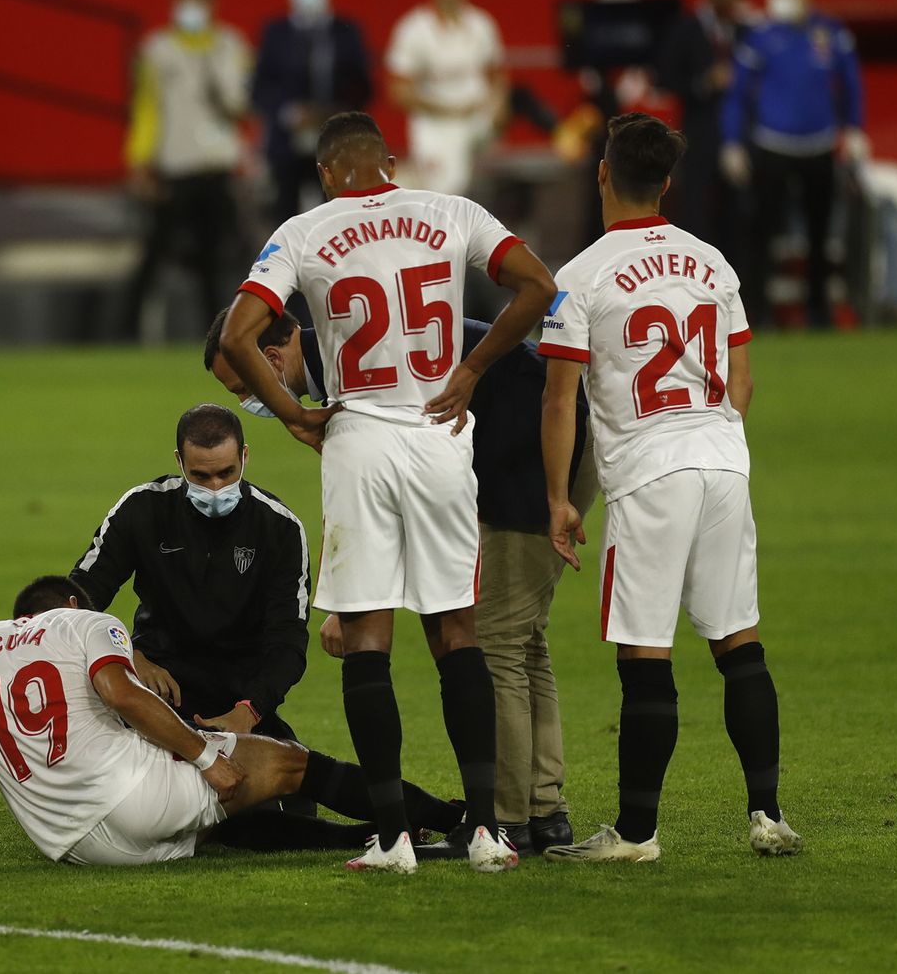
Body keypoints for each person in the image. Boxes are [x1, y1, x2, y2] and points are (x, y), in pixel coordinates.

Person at [220, 111, 557, 875]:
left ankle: (395, 837)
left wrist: (294, 413)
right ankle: (485, 830)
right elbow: (539, 285)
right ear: (391, 163)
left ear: (325, 174)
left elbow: (239, 333)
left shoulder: (303, 230)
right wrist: (472, 368)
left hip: (361, 438)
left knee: (367, 639)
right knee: (457, 631)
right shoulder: (452, 211)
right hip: (440, 432)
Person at [204, 306, 600, 856]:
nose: (251, 401)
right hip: (553, 435)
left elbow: (386, 481)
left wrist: (351, 601)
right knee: (521, 639)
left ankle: (506, 820)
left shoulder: (348, 374)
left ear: (270, 357)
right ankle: (542, 811)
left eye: (244, 386)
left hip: (534, 447)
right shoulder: (349, 345)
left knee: (497, 642)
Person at [538, 112, 802, 863]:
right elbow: (742, 377)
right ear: (666, 183)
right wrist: (714, 437)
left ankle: (636, 833)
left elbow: (560, 400)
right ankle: (768, 814)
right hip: (723, 460)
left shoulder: (581, 275)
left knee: (645, 653)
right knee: (738, 641)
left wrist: (559, 499)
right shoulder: (713, 263)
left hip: (649, 472)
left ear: (603, 175)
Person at [0, 576, 463, 869]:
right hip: (131, 801)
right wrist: (208, 758)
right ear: (71, 603)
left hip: (73, 849)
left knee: (220, 826)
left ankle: (363, 840)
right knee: (288, 764)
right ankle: (450, 819)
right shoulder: (84, 622)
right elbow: (120, 693)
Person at [69, 404, 310, 746]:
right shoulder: (143, 509)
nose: (215, 488)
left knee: (294, 780)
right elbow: (74, 603)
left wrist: (251, 710)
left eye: (226, 473)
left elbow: (288, 641)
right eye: (200, 476)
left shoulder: (280, 528)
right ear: (179, 462)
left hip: (239, 699)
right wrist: (127, 656)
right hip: (156, 687)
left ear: (244, 457)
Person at [720, 0, 867, 329]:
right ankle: (757, 312)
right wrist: (732, 142)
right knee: (762, 233)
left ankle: (818, 312)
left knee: (821, 235)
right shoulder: (760, 37)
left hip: (819, 147)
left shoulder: (831, 33)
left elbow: (851, 83)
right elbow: (738, 94)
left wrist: (854, 128)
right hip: (772, 146)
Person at [124, 0, 252, 335]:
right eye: (183, 1)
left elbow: (245, 105)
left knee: (217, 260)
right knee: (155, 253)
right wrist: (139, 159)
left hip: (217, 166)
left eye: (196, 1)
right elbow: (147, 108)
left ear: (211, 3)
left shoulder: (232, 46)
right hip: (176, 167)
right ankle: (125, 330)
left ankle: (220, 335)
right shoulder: (156, 50)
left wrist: (227, 98)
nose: (189, 9)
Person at [252, 0, 373, 227]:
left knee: (337, 223)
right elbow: (260, 88)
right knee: (286, 223)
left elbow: (363, 87)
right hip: (287, 145)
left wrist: (333, 113)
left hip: (336, 145)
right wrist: (289, 113)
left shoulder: (346, 32)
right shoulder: (275, 32)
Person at [385, 0, 508, 195]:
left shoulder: (482, 25)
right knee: (444, 194)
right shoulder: (413, 29)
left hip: (478, 123)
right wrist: (445, 109)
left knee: (484, 195)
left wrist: (498, 106)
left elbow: (498, 75)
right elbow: (398, 90)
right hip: (435, 127)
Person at [656, 0, 752, 245]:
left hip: (738, 135)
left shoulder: (745, 31)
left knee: (737, 209)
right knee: (695, 205)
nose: (733, 1)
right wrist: (703, 83)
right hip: (698, 131)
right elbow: (665, 76)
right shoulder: (686, 28)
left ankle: (734, 269)